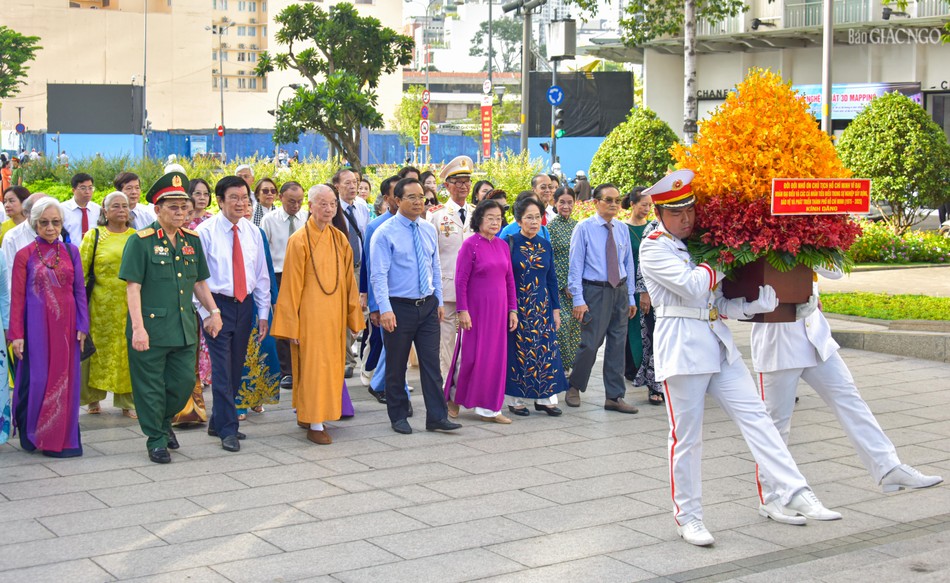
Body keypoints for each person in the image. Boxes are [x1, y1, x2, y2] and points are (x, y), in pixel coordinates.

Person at [639, 169, 840, 546]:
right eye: (677, 213)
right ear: (660, 214)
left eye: (690, 211)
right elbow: (692, 285)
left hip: (717, 342)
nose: (686, 220)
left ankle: (794, 489)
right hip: (682, 347)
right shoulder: (653, 246)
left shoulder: (697, 247)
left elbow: (718, 302)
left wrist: (751, 306)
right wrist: (724, 254)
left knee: (757, 418)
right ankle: (689, 516)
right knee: (687, 438)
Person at [752, 276, 942, 502]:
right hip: (778, 342)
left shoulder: (814, 241)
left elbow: (835, 270)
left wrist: (818, 243)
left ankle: (888, 468)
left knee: (850, 400)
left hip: (815, 336)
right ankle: (773, 497)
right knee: (776, 424)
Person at [120, 171, 222, 464]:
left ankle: (163, 424)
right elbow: (133, 288)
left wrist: (213, 312)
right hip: (150, 328)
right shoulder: (141, 242)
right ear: (157, 209)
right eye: (173, 207)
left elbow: (200, 283)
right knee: (150, 387)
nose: (180, 213)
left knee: (179, 387)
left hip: (183, 328)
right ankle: (156, 439)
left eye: (184, 207)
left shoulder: (192, 239)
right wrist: (138, 328)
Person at [272, 185, 364, 444]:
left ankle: (313, 415)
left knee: (331, 370)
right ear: (310, 207)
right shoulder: (299, 240)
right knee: (313, 370)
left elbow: (349, 283)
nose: (328, 209)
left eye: (332, 204)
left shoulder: (339, 239)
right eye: (322, 203)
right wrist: (292, 327)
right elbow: (290, 287)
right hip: (310, 320)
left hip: (333, 319)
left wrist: (353, 319)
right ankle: (314, 423)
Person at [371, 178, 461, 435]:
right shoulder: (385, 233)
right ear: (397, 201)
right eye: (411, 197)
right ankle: (398, 415)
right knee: (397, 365)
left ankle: (437, 416)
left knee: (431, 364)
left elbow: (434, 265)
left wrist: (439, 300)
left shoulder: (427, 228)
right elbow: (379, 275)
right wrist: (385, 309)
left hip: (428, 305)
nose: (419, 201)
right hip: (399, 307)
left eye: (421, 196)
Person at [196, 175, 271, 452]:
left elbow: (261, 276)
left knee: (236, 367)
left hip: (245, 305)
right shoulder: (205, 232)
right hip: (217, 305)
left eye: (244, 198)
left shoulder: (252, 232)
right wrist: (207, 312)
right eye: (234, 198)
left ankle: (218, 420)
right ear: (220, 201)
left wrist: (263, 313)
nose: (241, 203)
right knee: (222, 370)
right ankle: (228, 429)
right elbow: (197, 279)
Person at [9, 198, 89, 457]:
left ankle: (61, 438)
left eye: (56, 222)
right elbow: (17, 297)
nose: (51, 227)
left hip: (66, 327)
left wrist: (82, 325)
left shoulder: (71, 252)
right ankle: (34, 434)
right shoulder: (25, 255)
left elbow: (79, 292)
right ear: (35, 224)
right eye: (44, 222)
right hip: (36, 328)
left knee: (64, 380)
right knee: (39, 379)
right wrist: (17, 336)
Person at [565, 183, 639, 414]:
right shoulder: (584, 228)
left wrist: (631, 297)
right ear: (596, 202)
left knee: (618, 343)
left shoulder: (622, 228)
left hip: (619, 290)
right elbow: (575, 265)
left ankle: (615, 396)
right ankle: (574, 385)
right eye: (609, 200)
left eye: (617, 200)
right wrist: (578, 298)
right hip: (595, 291)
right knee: (590, 343)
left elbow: (627, 263)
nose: (614, 205)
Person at [444, 199, 517, 423]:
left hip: (499, 311)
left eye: (498, 218)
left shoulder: (503, 245)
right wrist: (462, 310)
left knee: (494, 360)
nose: (495, 222)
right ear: (479, 220)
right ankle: (454, 399)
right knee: (470, 358)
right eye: (490, 218)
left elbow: (509, 280)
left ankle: (491, 409)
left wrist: (513, 309)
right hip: (475, 311)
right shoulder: (470, 245)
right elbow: (461, 280)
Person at [505, 197, 568, 416]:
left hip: (542, 306)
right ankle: (516, 400)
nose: (533, 222)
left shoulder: (545, 245)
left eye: (537, 217)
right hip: (519, 306)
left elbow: (552, 279)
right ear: (519, 220)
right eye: (528, 217)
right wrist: (509, 308)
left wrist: (556, 310)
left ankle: (545, 399)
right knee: (519, 350)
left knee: (546, 350)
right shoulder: (510, 243)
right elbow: (505, 278)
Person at [80, 192, 138, 418]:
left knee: (127, 353)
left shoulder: (136, 237)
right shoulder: (94, 236)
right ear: (105, 211)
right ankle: (93, 399)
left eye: (125, 206)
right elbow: (82, 274)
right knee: (97, 353)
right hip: (99, 307)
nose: (121, 210)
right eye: (115, 206)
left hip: (129, 306)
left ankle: (128, 402)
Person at [427, 156, 476, 382]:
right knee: (445, 343)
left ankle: (467, 385)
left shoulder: (478, 213)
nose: (464, 186)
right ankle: (446, 389)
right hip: (447, 289)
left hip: (474, 289)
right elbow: (431, 255)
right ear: (446, 186)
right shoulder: (436, 215)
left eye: (467, 181)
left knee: (471, 341)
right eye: (458, 182)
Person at [260, 181, 307, 390]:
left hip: (304, 275)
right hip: (279, 274)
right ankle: (286, 370)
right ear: (280, 198)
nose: (295, 206)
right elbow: (263, 252)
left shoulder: (307, 217)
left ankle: (304, 365)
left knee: (304, 320)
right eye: (291, 201)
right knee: (282, 321)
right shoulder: (269, 220)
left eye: (299, 201)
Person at [623, 187, 664, 405]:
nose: (647, 208)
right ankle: (638, 370)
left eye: (650, 205)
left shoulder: (659, 227)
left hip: (660, 290)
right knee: (640, 333)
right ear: (632, 204)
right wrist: (640, 291)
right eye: (643, 204)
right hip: (637, 287)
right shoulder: (627, 229)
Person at [333, 168, 369, 379]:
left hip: (360, 266)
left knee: (360, 312)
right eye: (347, 182)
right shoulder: (332, 207)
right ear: (337, 186)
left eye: (355, 182)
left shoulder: (362, 207)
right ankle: (347, 360)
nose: (352, 186)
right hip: (340, 269)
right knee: (343, 312)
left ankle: (357, 355)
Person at [548, 186, 580, 374]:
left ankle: (572, 368)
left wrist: (575, 284)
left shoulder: (579, 226)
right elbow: (549, 259)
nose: (566, 206)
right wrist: (563, 283)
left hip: (576, 287)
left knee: (576, 328)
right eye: (562, 202)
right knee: (562, 325)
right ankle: (561, 366)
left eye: (569, 202)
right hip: (558, 287)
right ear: (555, 203)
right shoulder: (550, 228)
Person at [2, 192, 48, 289]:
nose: (45, 216)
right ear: (27, 213)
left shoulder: (56, 235)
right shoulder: (12, 238)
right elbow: (8, 277)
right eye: (39, 211)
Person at [61, 172, 100, 245]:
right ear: (73, 190)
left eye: (90, 188)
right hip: (70, 253)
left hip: (93, 253)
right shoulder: (62, 209)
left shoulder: (98, 209)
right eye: (83, 188)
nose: (88, 192)